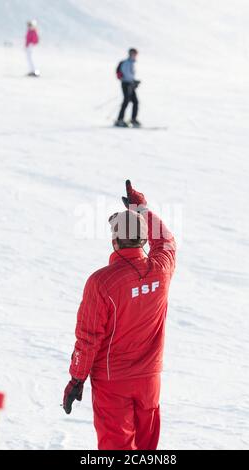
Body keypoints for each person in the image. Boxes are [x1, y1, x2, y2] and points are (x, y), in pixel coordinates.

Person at [63, 180, 176, 450]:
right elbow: (167, 241)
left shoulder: (102, 282)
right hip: (149, 379)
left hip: (113, 381)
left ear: (115, 240)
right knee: (147, 447)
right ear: (144, 238)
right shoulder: (161, 269)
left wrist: (76, 379)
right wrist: (143, 209)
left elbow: (88, 338)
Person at [115, 48, 141, 128]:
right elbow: (126, 74)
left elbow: (130, 75)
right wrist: (133, 82)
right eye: (134, 54)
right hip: (126, 84)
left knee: (135, 101)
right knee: (126, 101)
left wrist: (134, 81)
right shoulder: (127, 63)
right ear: (130, 54)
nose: (135, 55)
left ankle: (133, 119)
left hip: (130, 84)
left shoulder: (131, 63)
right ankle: (120, 120)